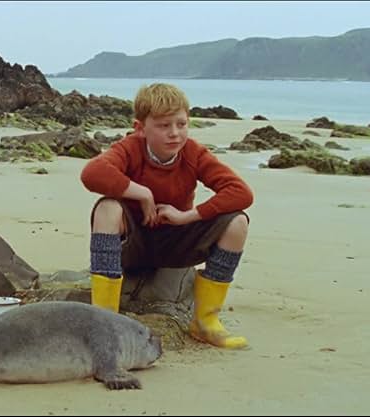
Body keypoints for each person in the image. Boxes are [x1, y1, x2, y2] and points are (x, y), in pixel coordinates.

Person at [79, 83, 254, 349]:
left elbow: (241, 192)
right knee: (107, 207)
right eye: (163, 126)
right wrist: (143, 194)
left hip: (176, 244)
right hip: (133, 245)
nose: (174, 133)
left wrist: (188, 216)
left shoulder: (193, 153)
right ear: (141, 127)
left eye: (181, 124)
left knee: (238, 221)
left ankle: (206, 322)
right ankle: (106, 322)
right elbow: (92, 174)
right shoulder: (130, 148)